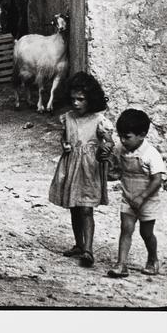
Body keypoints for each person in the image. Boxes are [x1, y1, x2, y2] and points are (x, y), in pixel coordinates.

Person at [47, 72, 113, 267]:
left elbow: (109, 142)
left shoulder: (99, 120)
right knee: (75, 208)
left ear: (91, 99)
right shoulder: (67, 118)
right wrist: (64, 144)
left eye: (81, 99)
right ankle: (79, 244)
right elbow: (64, 136)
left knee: (86, 209)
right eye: (73, 99)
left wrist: (105, 149)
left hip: (89, 168)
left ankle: (88, 250)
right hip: (71, 165)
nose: (76, 103)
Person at [107, 108, 165, 278]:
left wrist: (142, 197)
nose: (123, 140)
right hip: (128, 197)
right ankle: (121, 264)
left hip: (147, 200)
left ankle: (153, 259)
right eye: (120, 136)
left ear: (142, 135)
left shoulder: (151, 154)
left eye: (127, 137)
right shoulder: (121, 149)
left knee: (146, 233)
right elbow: (115, 168)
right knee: (126, 229)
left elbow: (157, 180)